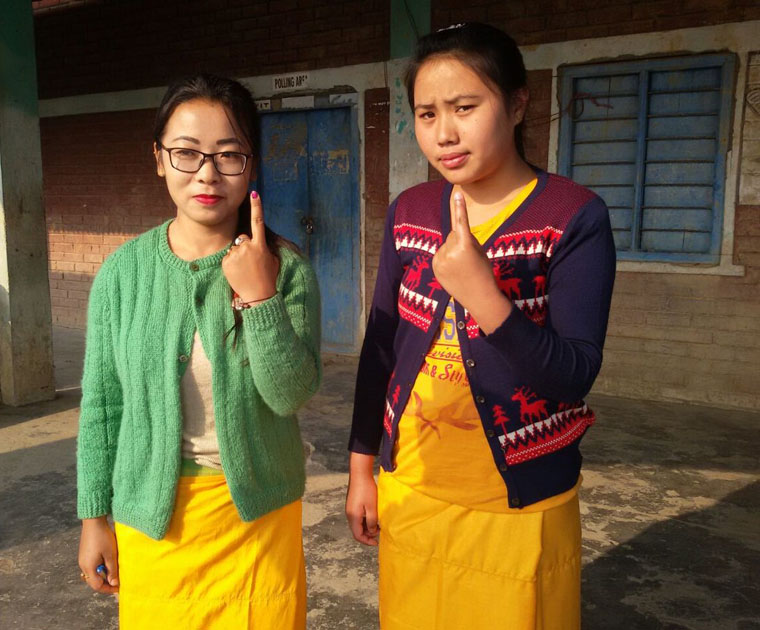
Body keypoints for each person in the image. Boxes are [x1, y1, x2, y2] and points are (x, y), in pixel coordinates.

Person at [346, 22, 616, 629]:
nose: (444, 133)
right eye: (426, 113)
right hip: (411, 485)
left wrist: (484, 297)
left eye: (465, 107)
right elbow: (382, 349)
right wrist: (363, 466)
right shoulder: (410, 211)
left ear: (518, 102)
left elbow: (574, 375)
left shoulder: (572, 217)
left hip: (516, 502)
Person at [76, 73, 321, 629]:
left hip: (257, 519)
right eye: (187, 154)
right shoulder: (122, 275)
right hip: (155, 519)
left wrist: (259, 297)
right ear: (159, 159)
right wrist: (94, 516)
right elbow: (103, 406)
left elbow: (289, 396)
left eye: (229, 155)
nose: (207, 174)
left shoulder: (288, 271)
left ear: (252, 165)